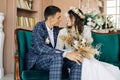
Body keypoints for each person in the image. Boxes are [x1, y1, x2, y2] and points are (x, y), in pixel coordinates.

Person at [56, 7, 120, 80]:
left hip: (84, 55)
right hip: (71, 58)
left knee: (91, 65)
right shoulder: (62, 32)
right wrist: (69, 53)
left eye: (69, 17)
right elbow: (58, 49)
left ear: (74, 19)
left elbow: (88, 45)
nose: (66, 19)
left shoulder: (86, 30)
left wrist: (81, 48)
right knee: (83, 64)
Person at [25, 5, 83, 80]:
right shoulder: (39, 27)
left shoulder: (56, 29)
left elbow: (57, 48)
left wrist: (71, 54)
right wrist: (65, 54)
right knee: (57, 57)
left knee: (76, 60)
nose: (60, 20)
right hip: (37, 60)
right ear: (50, 19)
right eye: (58, 17)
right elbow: (40, 48)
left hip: (53, 58)